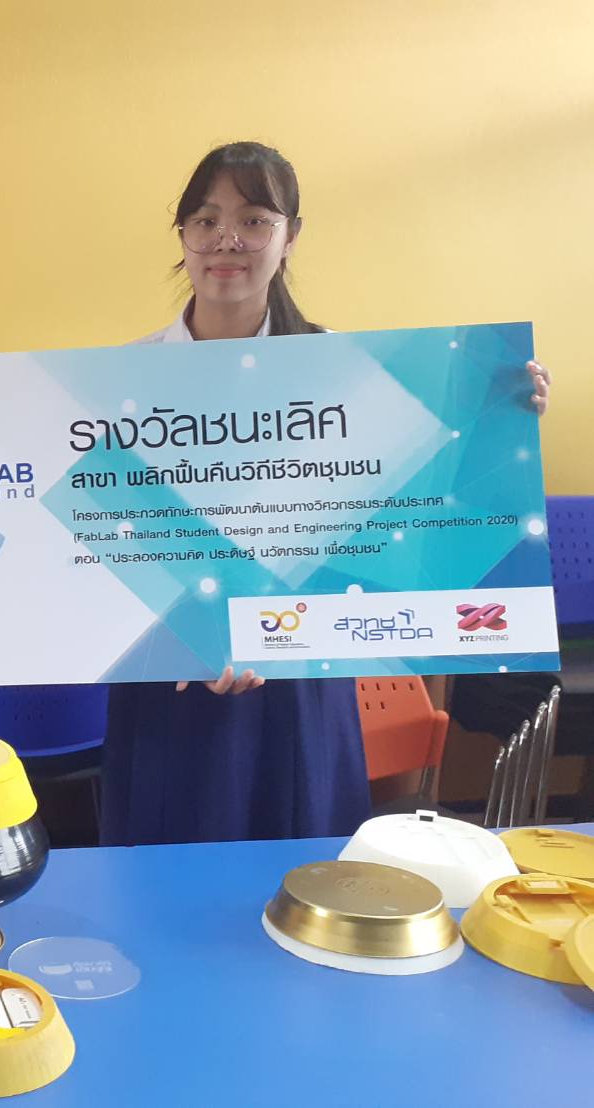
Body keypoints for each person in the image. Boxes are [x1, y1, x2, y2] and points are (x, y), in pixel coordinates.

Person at [101, 141, 551, 846]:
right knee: (164, 876)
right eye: (205, 220)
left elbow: (416, 499)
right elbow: (105, 539)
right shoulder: (123, 377)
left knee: (305, 871)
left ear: (290, 236)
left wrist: (501, 416)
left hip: (302, 667)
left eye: (254, 220)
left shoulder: (342, 369)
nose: (226, 240)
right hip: (174, 677)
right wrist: (186, 636)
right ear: (182, 235)